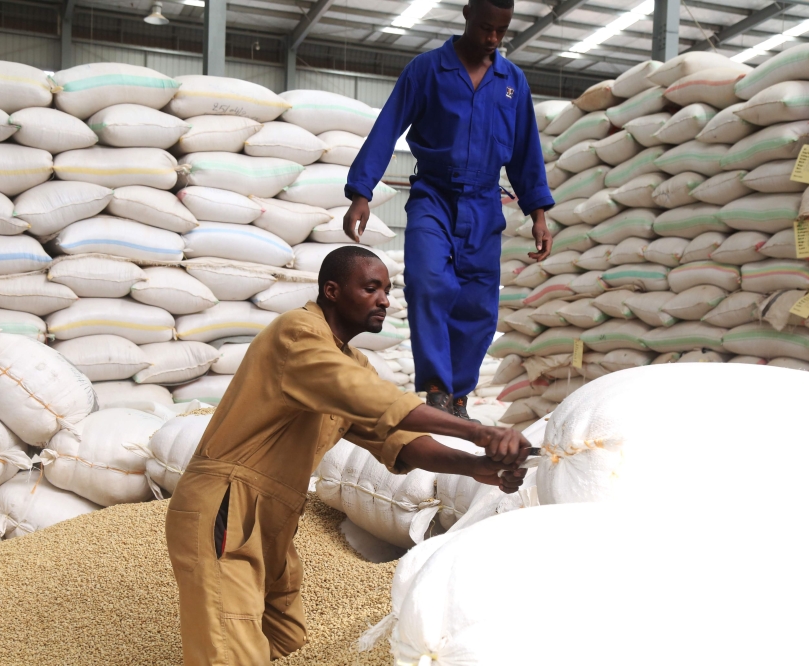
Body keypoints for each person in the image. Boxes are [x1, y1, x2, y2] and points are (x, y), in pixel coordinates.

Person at [166, 246, 535, 666]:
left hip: (274, 513)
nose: (384, 300)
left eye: (387, 290)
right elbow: (373, 399)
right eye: (371, 288)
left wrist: (474, 466)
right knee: (228, 644)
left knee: (285, 636)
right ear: (333, 291)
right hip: (228, 502)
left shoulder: (351, 362)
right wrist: (478, 430)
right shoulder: (298, 333)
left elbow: (398, 437)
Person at [343, 0, 555, 422]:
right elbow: (388, 128)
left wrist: (538, 213)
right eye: (485, 28)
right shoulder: (427, 70)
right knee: (428, 282)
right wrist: (361, 192)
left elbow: (526, 149)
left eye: (501, 31)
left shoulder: (511, 81)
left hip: (484, 203)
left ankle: (458, 399)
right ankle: (437, 388)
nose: (492, 38)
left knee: (477, 304)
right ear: (466, 14)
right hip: (434, 196)